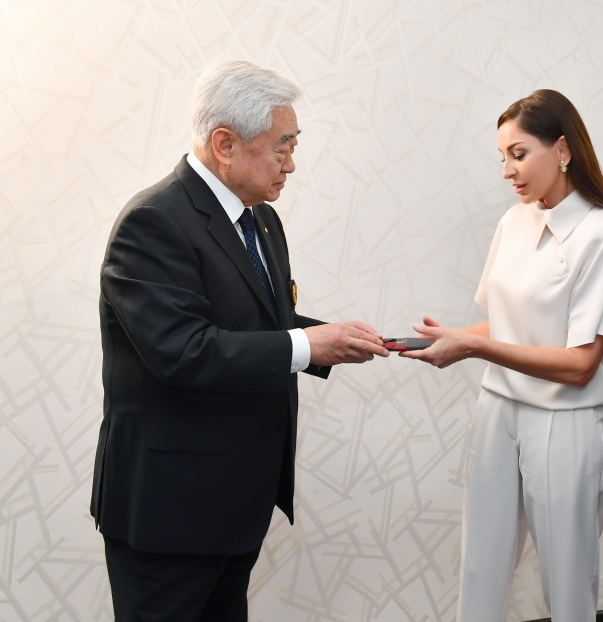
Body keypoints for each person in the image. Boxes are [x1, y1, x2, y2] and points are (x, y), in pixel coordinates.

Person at [91, 61, 390, 622]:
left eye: (294, 145)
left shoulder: (262, 221)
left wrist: (338, 337)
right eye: (282, 147)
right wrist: (308, 346)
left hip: (234, 505)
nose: (291, 163)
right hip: (169, 513)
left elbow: (262, 321)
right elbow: (184, 350)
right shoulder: (153, 222)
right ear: (224, 144)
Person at [402, 89, 603, 622]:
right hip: (497, 410)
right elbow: (506, 326)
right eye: (503, 157)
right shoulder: (514, 222)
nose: (508, 170)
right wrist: (449, 338)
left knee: (567, 580)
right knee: (480, 568)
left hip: (564, 420)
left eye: (519, 154)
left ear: (563, 150)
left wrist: (472, 346)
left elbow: (581, 365)